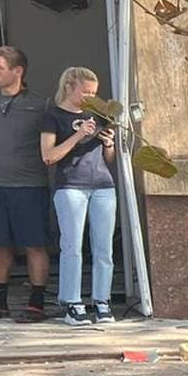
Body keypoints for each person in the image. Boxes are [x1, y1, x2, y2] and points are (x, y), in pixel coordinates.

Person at [0, 46, 53, 323]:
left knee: (34, 245)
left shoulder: (41, 104)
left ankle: (36, 303)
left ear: (17, 71)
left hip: (30, 186)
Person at [41, 67, 119, 325]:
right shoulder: (53, 115)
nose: (90, 97)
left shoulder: (98, 115)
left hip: (103, 185)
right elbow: (48, 156)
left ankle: (102, 301)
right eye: (85, 92)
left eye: (94, 93)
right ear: (69, 87)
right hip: (71, 186)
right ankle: (72, 303)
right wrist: (78, 134)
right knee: (72, 247)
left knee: (104, 247)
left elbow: (109, 160)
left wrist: (109, 144)